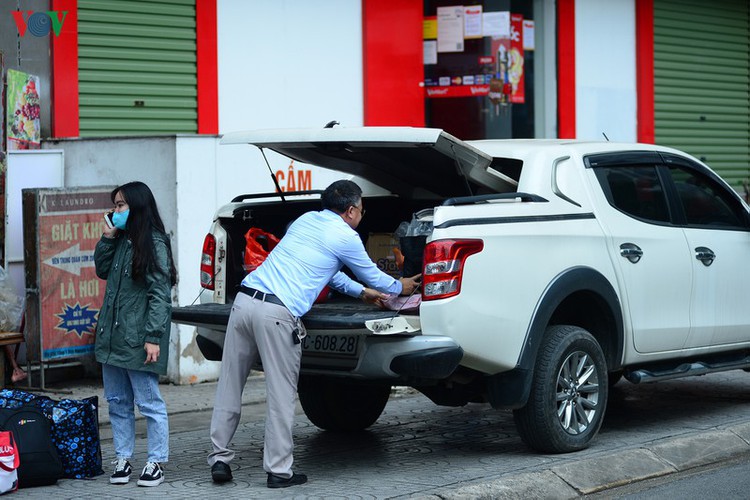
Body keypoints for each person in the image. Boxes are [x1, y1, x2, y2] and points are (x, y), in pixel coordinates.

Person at [208, 179, 421, 488]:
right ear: (350, 211)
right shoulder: (346, 235)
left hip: (244, 303)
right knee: (280, 395)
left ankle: (220, 460)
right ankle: (279, 471)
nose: (362, 215)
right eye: (361, 209)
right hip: (277, 314)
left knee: (229, 385)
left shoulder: (306, 220)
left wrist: (361, 293)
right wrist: (400, 286)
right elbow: (374, 275)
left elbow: (328, 272)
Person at [94, 181, 176, 488]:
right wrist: (107, 237)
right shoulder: (121, 239)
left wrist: (154, 336)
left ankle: (156, 461)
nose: (115, 211)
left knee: (149, 401)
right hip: (112, 337)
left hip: (138, 338)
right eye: (115, 205)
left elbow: (160, 295)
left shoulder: (154, 243)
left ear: (137, 207)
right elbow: (102, 270)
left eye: (120, 206)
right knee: (117, 401)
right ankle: (123, 458)